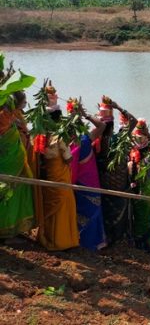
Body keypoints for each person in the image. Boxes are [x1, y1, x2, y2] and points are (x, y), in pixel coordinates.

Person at [35, 85, 79, 251]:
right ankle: (61, 241)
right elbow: (68, 158)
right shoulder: (59, 137)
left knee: (50, 205)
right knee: (63, 206)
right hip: (60, 176)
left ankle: (46, 237)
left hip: (49, 175)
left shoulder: (40, 136)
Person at [94, 96, 137, 244]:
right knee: (114, 212)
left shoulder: (106, 139)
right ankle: (115, 238)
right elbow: (134, 121)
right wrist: (118, 107)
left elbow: (134, 122)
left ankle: (111, 237)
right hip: (112, 184)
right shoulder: (114, 139)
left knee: (110, 212)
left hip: (109, 183)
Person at [67, 99, 107, 251]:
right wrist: (86, 115)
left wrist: (80, 115)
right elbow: (102, 126)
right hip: (86, 182)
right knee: (91, 210)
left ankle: (82, 240)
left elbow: (103, 126)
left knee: (86, 211)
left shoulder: (75, 142)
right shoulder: (83, 140)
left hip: (80, 182)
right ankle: (90, 242)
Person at [0, 92, 34, 240]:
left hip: (16, 160)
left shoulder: (13, 117)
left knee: (15, 193)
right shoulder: (4, 117)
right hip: (8, 161)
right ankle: (4, 229)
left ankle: (13, 227)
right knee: (6, 193)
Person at [128, 119, 150, 253]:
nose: (139, 141)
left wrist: (148, 133)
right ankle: (139, 246)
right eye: (137, 138)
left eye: (141, 138)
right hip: (137, 191)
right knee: (139, 219)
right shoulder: (132, 152)